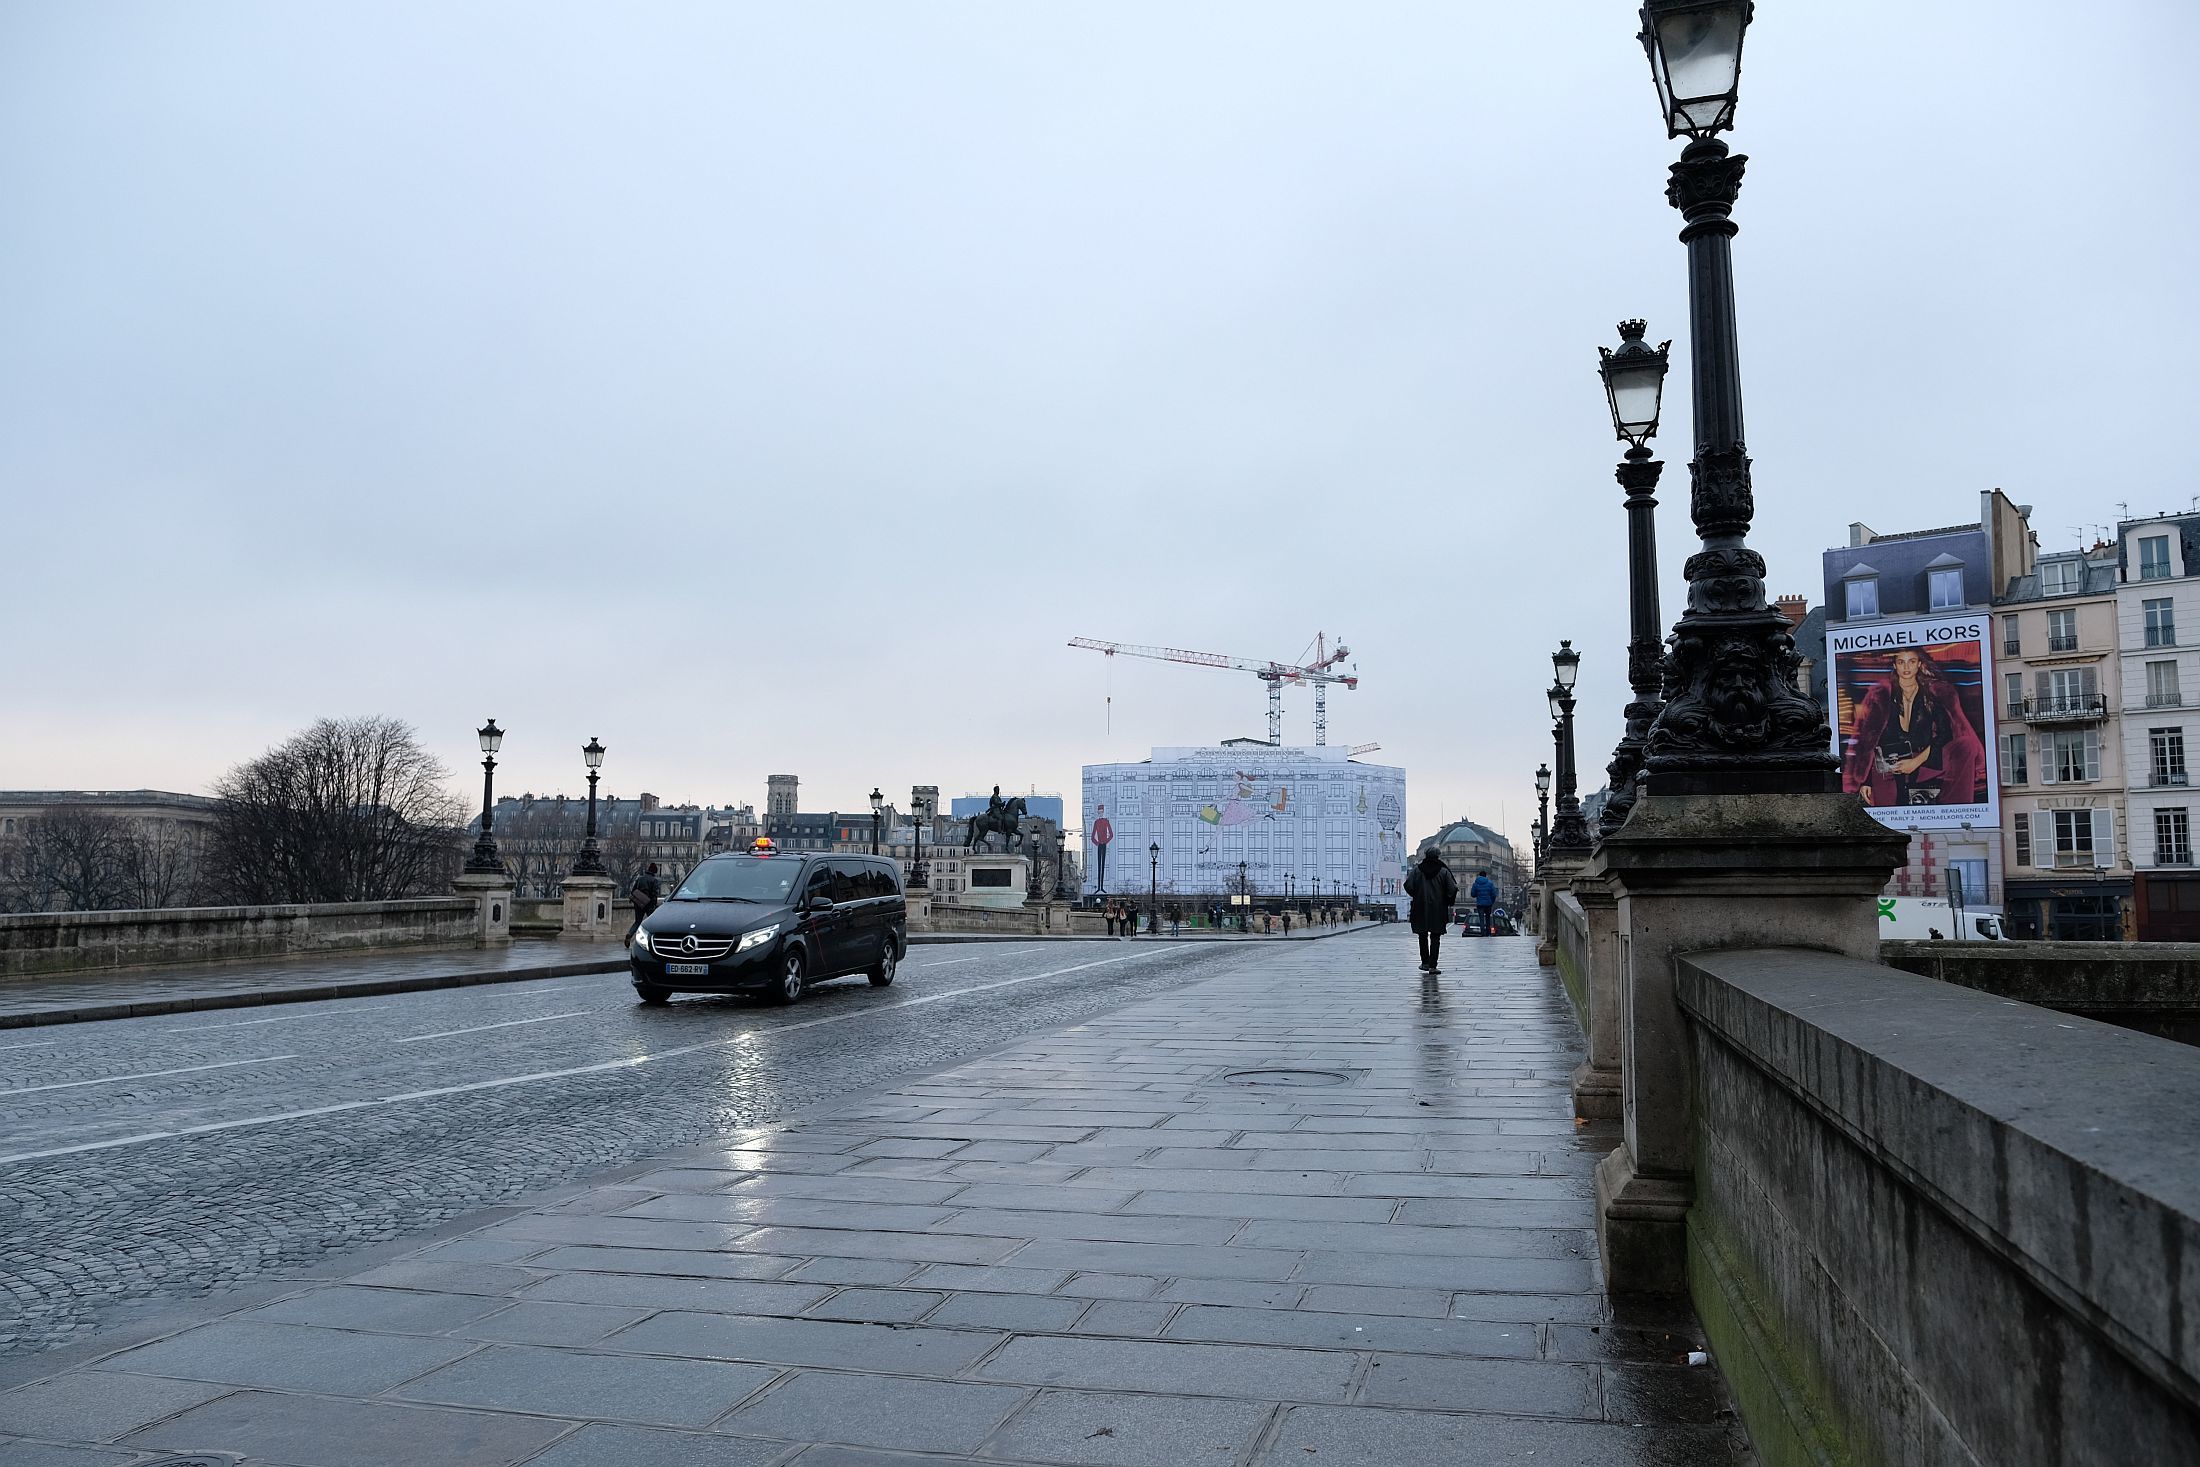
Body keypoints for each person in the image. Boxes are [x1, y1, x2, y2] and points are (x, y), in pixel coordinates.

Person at [1841, 648, 1986, 809]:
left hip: (1923, 759)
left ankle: (1958, 812)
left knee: (1965, 745)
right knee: (1886, 809)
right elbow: (1869, 740)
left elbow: (1945, 733)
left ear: (1919, 664)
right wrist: (1865, 781)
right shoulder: (1882, 696)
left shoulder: (1931, 694)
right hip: (1889, 763)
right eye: (1901, 662)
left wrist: (1916, 761)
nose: (1906, 667)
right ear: (1895, 665)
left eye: (1911, 661)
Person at [1403, 847, 1459, 974]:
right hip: (1438, 908)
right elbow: (1452, 888)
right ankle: (1433, 966)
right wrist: (1447, 899)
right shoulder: (1444, 871)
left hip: (1420, 906)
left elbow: (1408, 885)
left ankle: (1425, 963)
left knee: (1422, 936)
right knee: (1435, 937)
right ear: (1437, 856)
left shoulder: (1417, 870)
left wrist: (1416, 895)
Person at [626, 862, 663, 944]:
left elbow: (634, 890)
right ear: (655, 872)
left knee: (637, 921)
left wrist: (633, 899)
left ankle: (629, 934)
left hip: (638, 903)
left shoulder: (640, 878)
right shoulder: (654, 880)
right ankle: (651, 939)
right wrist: (654, 905)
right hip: (648, 904)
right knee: (652, 921)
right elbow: (654, 894)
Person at [1470, 869, 1498, 936]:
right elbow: (1494, 894)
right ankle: (1488, 932)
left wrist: (1478, 894)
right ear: (1486, 876)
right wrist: (1491, 901)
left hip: (1480, 904)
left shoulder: (1475, 884)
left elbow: (1473, 894)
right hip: (1488, 903)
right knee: (1488, 918)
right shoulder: (1490, 883)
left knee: (1481, 919)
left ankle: (1482, 933)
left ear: (1479, 876)